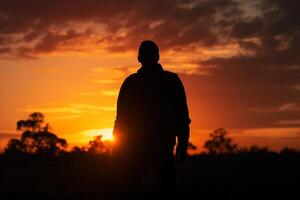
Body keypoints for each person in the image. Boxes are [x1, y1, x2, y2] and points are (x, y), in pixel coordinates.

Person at [113, 40, 191, 196]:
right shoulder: (171, 81)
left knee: (130, 189)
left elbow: (121, 119)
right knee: (165, 188)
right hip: (153, 145)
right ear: (158, 56)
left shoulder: (131, 83)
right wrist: (183, 143)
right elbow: (182, 116)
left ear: (138, 58)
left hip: (143, 146)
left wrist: (117, 145)